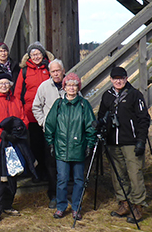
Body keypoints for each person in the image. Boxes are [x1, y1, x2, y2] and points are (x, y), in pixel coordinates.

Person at [97, 66, 151, 223]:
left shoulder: (135, 95)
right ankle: (124, 202)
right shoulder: (107, 96)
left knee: (135, 174)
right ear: (111, 80)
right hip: (112, 142)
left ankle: (138, 206)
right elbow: (102, 116)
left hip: (131, 142)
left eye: (121, 78)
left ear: (126, 78)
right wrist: (100, 127)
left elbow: (143, 119)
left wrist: (141, 140)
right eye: (115, 78)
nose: (118, 81)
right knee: (118, 174)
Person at [44, 72, 97, 220]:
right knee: (62, 179)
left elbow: (90, 127)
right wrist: (50, 143)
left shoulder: (83, 105)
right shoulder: (58, 104)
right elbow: (49, 125)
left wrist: (89, 145)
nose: (72, 88)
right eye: (69, 85)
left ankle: (76, 207)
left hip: (79, 148)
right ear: (64, 87)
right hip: (61, 149)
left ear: (78, 87)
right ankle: (61, 207)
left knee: (79, 180)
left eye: (74, 85)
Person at [0, 73, 34, 223]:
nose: (4, 86)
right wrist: (3, 134)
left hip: (15, 143)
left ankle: (7, 204)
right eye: (1, 83)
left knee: (13, 174)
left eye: (7, 83)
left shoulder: (16, 101)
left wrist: (17, 132)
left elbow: (23, 120)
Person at [13, 41, 52, 186]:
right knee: (35, 145)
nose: (36, 56)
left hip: (49, 114)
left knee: (48, 145)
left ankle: (49, 173)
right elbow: (17, 94)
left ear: (43, 54)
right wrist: (20, 114)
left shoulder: (49, 68)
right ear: (29, 56)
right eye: (33, 54)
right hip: (31, 115)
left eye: (38, 53)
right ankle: (37, 173)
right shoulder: (24, 71)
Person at [31, 58, 68, 208]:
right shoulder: (44, 86)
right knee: (51, 164)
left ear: (63, 71)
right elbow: (36, 107)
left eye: (58, 70)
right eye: (52, 71)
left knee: (66, 164)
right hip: (51, 133)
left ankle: (64, 194)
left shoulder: (70, 85)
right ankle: (53, 194)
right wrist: (44, 123)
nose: (56, 73)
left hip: (68, 133)